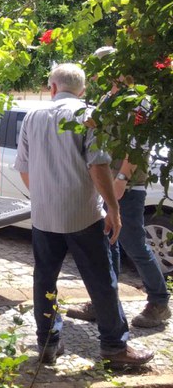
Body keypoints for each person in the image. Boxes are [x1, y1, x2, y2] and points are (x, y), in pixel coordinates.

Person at [14, 63, 153, 368]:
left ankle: (48, 343)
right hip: (83, 214)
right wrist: (113, 209)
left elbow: (24, 168)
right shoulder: (89, 115)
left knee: (44, 279)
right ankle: (115, 347)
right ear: (83, 89)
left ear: (52, 87)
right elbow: (98, 165)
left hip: (43, 216)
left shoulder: (32, 116)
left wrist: (44, 197)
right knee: (102, 280)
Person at [67, 47, 171, 327]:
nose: (99, 75)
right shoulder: (106, 99)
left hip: (126, 184)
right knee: (104, 245)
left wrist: (122, 179)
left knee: (133, 244)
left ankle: (159, 303)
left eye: (103, 69)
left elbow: (140, 145)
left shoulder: (140, 101)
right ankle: (104, 303)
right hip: (103, 182)